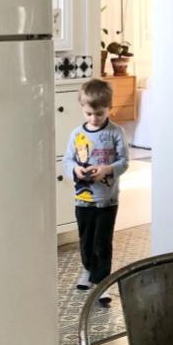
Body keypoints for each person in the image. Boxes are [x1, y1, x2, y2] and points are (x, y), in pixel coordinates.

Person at [63, 79, 129, 301]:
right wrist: (75, 170)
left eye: (99, 113)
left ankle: (102, 281)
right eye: (89, 113)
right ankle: (88, 270)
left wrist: (107, 169)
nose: (94, 118)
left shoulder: (116, 133)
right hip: (83, 199)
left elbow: (124, 162)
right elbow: (68, 160)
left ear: (109, 108)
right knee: (86, 239)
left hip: (107, 200)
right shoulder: (76, 135)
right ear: (82, 109)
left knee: (103, 241)